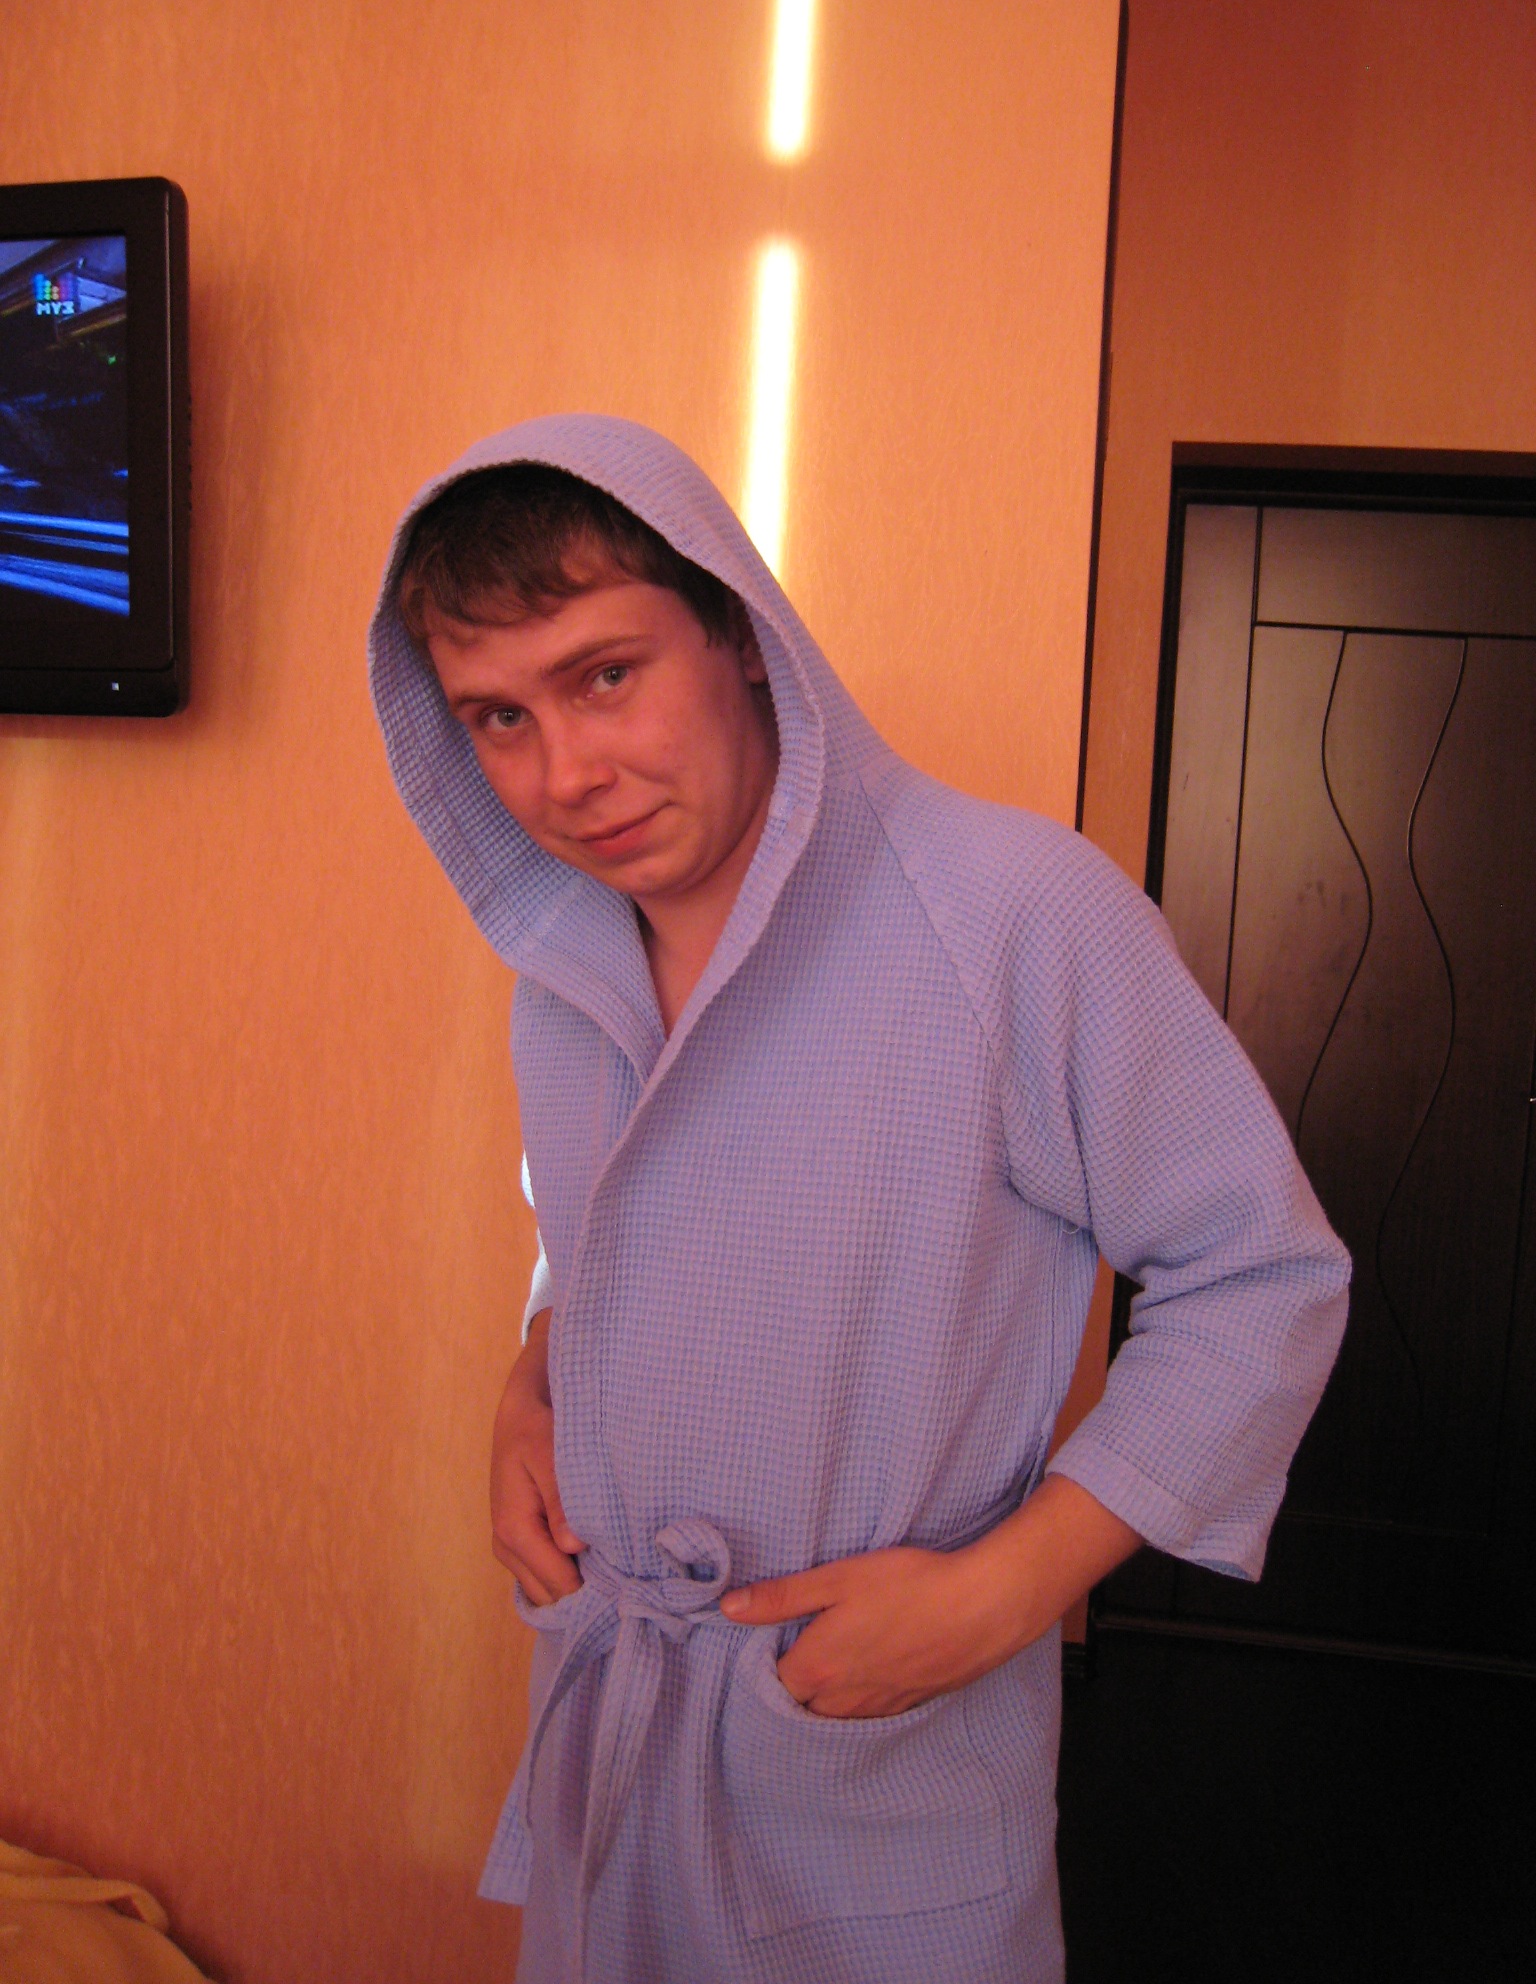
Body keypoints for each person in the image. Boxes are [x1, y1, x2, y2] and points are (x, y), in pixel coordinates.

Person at [368, 414, 1350, 1984]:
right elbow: (596, 1234)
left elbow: (1261, 1275)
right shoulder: (563, 968)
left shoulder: (1012, 914)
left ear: (740, 636)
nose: (565, 775)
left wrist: (1005, 1596)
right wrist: (530, 1386)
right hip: (622, 1728)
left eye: (605, 676)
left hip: (870, 1751)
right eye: (498, 717)